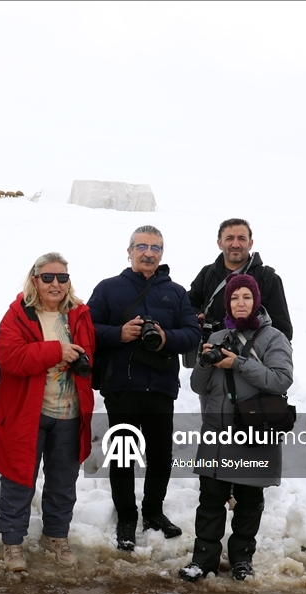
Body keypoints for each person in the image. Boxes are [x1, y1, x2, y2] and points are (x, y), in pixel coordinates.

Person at [87, 225, 200, 551]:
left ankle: (153, 512)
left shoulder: (176, 293)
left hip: (161, 386)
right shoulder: (109, 289)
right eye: (142, 246)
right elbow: (88, 329)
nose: (148, 253)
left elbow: (192, 333)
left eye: (155, 248)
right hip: (121, 385)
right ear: (130, 251)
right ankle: (126, 516)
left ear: (161, 253)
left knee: (161, 454)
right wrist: (119, 333)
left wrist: (166, 338)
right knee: (123, 453)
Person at [179, 274, 292, 582]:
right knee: (210, 499)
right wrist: (205, 362)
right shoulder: (217, 338)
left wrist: (238, 364)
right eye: (233, 298)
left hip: (253, 430)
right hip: (217, 431)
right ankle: (203, 560)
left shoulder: (273, 338)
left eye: (246, 297)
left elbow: (281, 379)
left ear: (256, 301)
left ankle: (242, 559)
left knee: (249, 501)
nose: (240, 303)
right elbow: (197, 386)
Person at [0, 253, 96, 571]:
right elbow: (9, 357)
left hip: (69, 412)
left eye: (62, 278)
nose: (55, 284)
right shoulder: (18, 314)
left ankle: (56, 536)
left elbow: (89, 355)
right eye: (47, 277)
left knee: (63, 481)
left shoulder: (79, 314)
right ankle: (12, 543)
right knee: (19, 479)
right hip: (26, 413)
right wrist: (56, 351)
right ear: (35, 279)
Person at [188, 219, 293, 363]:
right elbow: (189, 304)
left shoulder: (267, 279)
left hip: (253, 362)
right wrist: (196, 317)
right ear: (220, 243)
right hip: (213, 357)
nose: (235, 244)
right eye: (229, 238)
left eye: (242, 239)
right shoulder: (208, 274)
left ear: (250, 243)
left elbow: (282, 330)